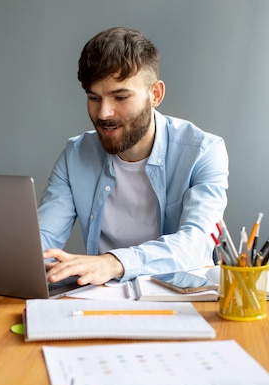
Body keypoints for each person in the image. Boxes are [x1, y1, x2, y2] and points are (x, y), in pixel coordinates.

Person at [38, 27, 229, 287]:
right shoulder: (75, 155)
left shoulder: (203, 151)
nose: (104, 113)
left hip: (181, 301)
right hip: (102, 300)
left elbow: (195, 244)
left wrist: (114, 262)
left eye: (120, 97)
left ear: (156, 95)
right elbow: (43, 240)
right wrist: (31, 262)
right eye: (94, 97)